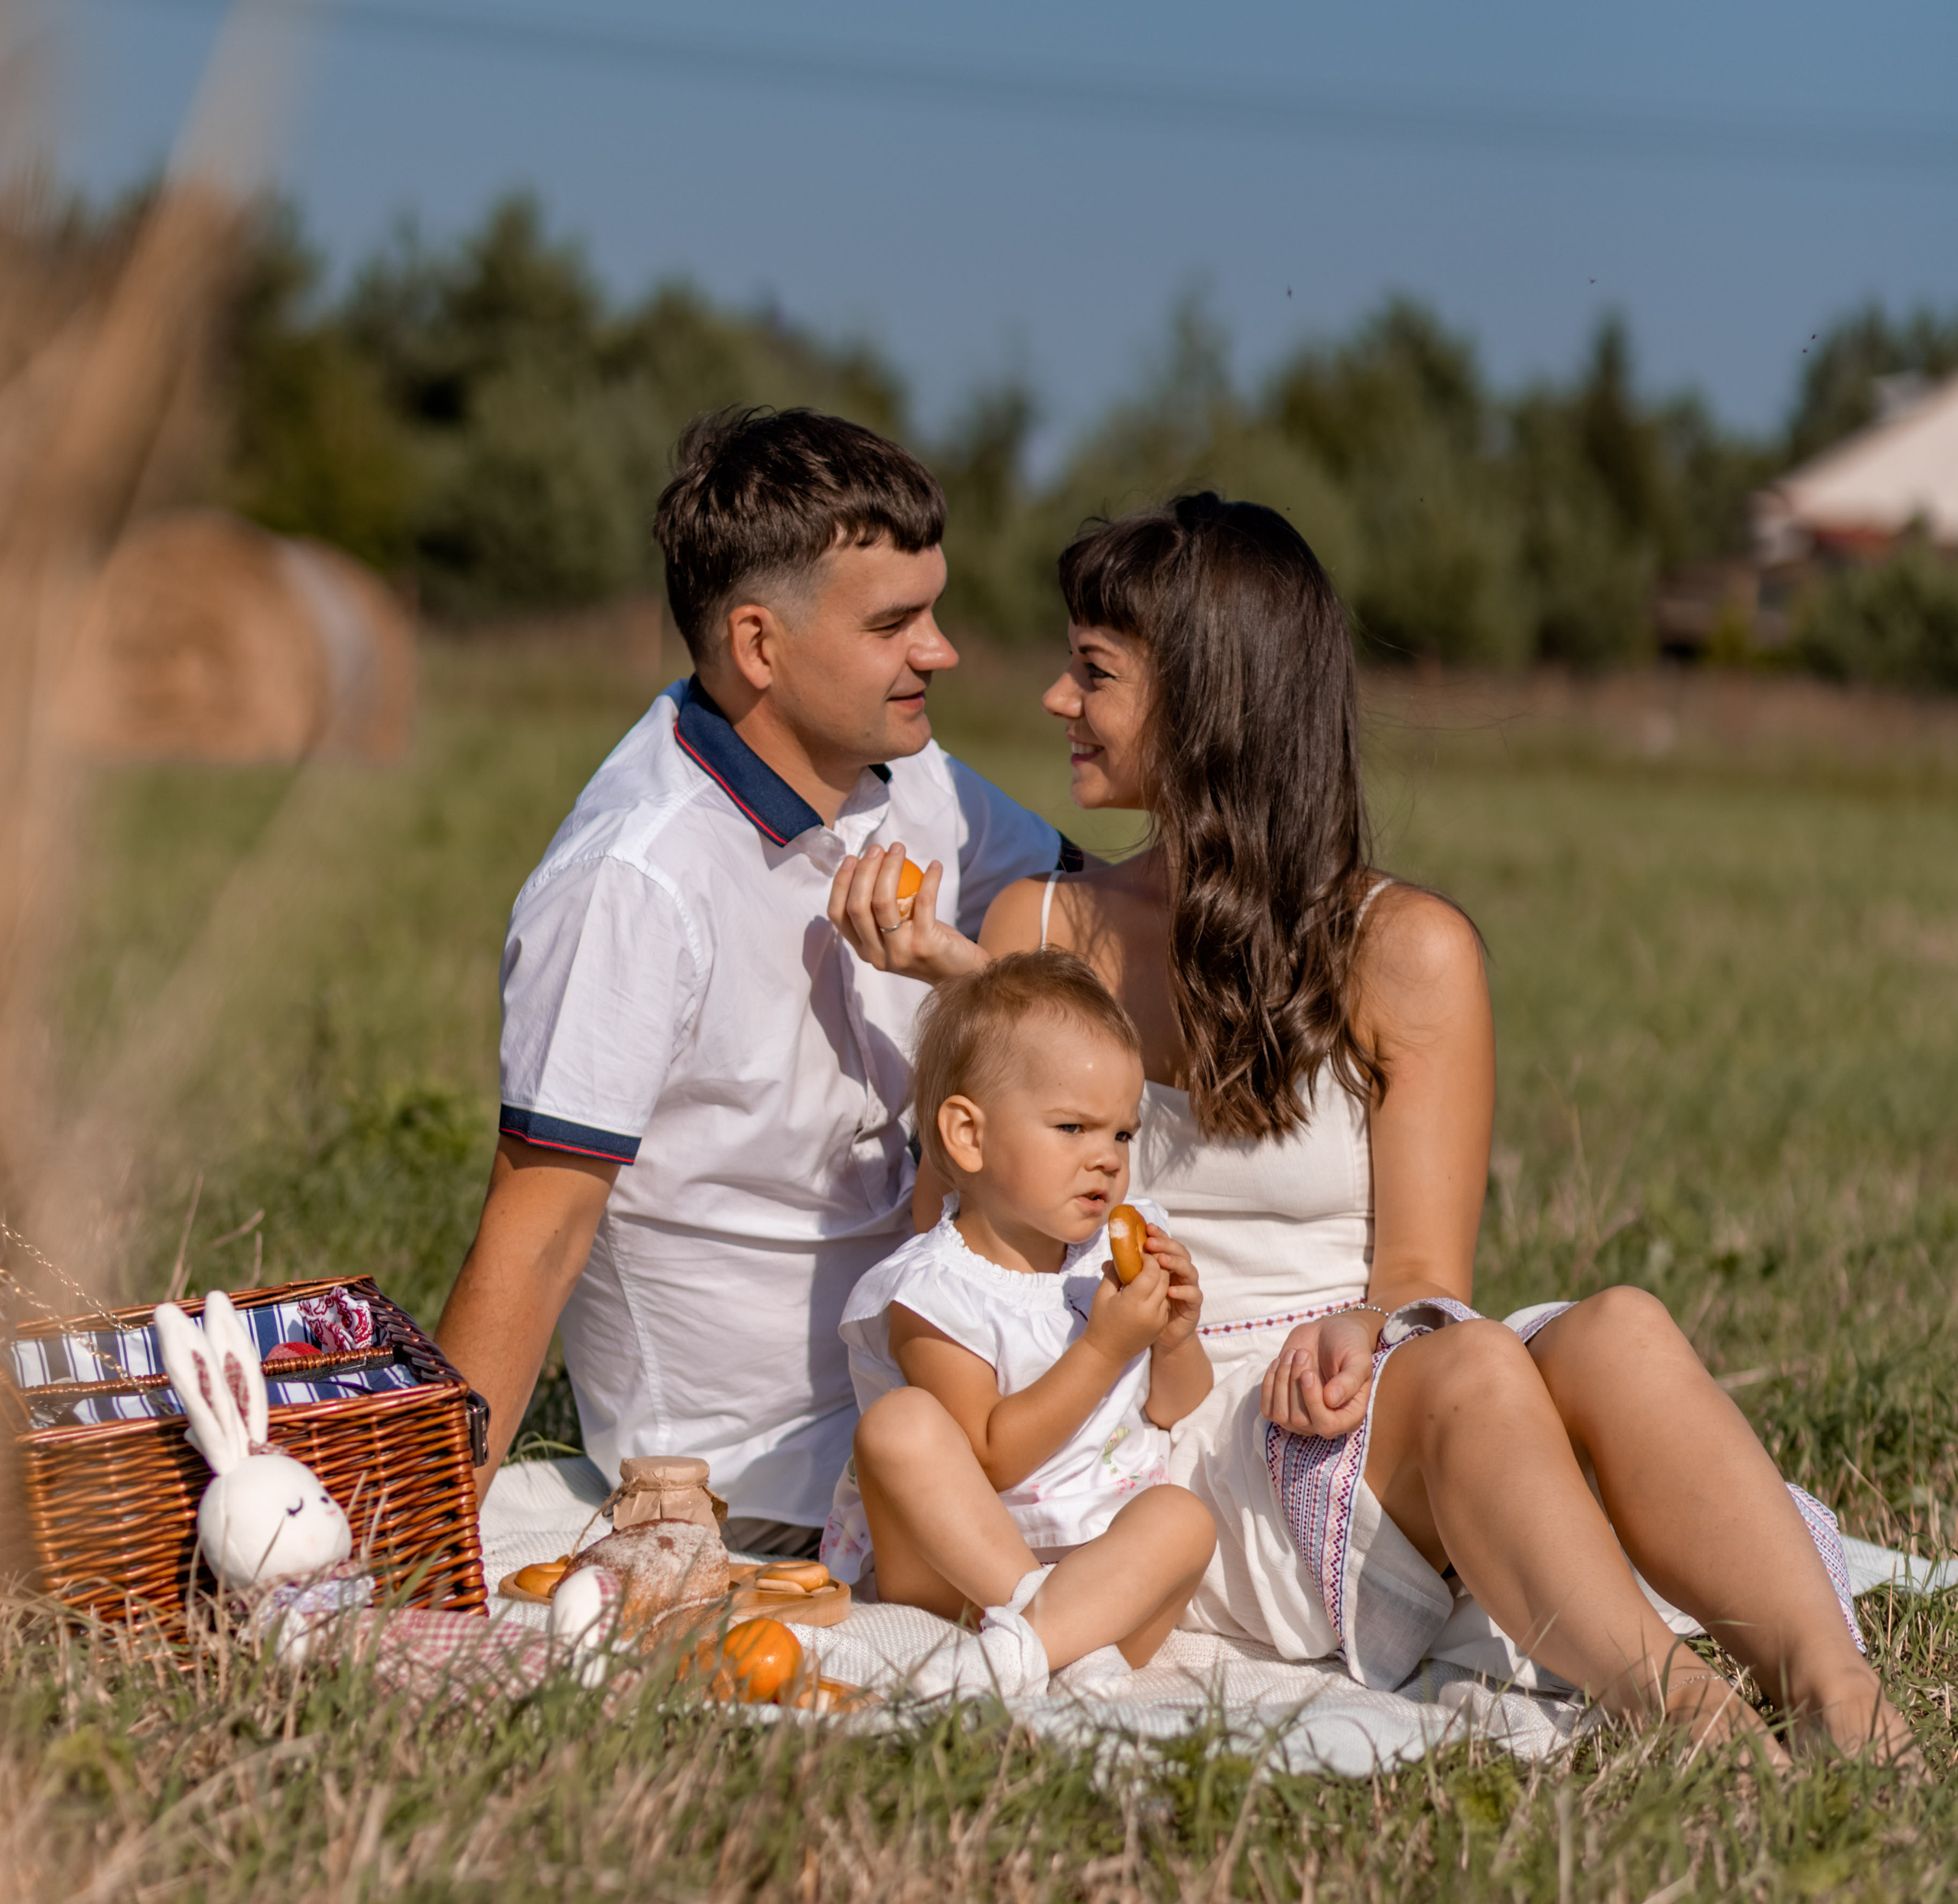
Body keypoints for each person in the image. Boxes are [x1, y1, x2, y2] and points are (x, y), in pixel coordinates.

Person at [829, 493, 1914, 1760]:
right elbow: (963, 1249)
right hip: (1160, 1433)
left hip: (1346, 1383)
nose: (1059, 702)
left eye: (1096, 674)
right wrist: (970, 1009)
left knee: (1618, 1327)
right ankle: (1693, 1720)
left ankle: (1843, 1697)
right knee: (1469, 1375)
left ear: (1205, 700)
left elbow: (1420, 1283)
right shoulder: (1039, 929)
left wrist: (1366, 1326)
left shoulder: (1410, 952)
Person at [435, 406, 1068, 1557]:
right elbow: (533, 1240)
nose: (943, 651)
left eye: (933, 610)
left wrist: (972, 974)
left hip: (959, 1383)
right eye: (896, 623)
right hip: (758, 1476)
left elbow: (1108, 942)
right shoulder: (633, 884)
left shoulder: (911, 779)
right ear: (760, 647)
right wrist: (418, 1541)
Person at [818, 951, 1216, 1697]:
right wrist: (1103, 1346)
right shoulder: (935, 1292)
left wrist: (1171, 1336)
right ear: (968, 1136)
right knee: (898, 1425)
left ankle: (1030, 1645)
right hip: (950, 1576)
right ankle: (1047, 1639)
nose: (1104, 1160)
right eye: (1072, 1127)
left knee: (1183, 1517)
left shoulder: (1116, 1249)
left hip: (1102, 1570)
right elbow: (991, 1457)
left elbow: (1174, 1405)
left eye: (1121, 1136)